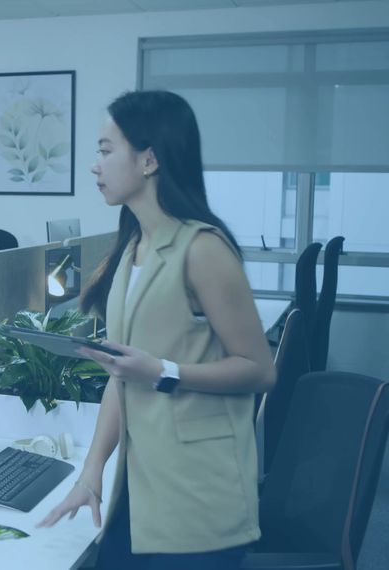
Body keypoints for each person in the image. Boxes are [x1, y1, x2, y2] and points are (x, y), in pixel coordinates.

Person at [37, 91, 276, 569]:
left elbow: (259, 371)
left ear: (149, 160)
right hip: (139, 488)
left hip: (196, 497)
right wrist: (90, 474)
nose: (95, 165)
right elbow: (121, 373)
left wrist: (164, 371)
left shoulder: (203, 249)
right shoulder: (131, 251)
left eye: (106, 150)